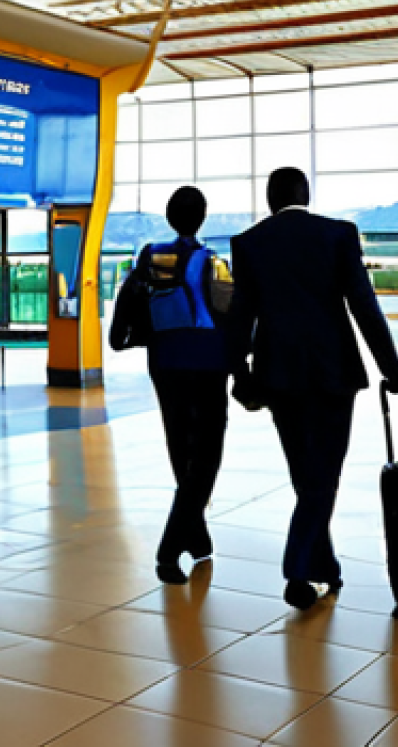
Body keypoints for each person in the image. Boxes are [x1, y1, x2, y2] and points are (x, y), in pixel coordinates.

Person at [229, 166, 398, 610]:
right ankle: (297, 570)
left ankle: (325, 568)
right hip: (334, 373)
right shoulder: (338, 235)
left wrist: (240, 375)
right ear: (305, 194)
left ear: (270, 198)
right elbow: (364, 308)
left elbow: (240, 318)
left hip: (278, 375)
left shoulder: (250, 243)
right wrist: (393, 370)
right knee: (323, 476)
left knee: (307, 476)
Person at [110, 186, 232, 585]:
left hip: (164, 360)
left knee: (180, 445)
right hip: (207, 360)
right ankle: (168, 550)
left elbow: (132, 298)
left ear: (169, 216)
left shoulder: (150, 255)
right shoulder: (212, 261)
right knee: (207, 456)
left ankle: (195, 535)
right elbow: (229, 312)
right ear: (202, 217)